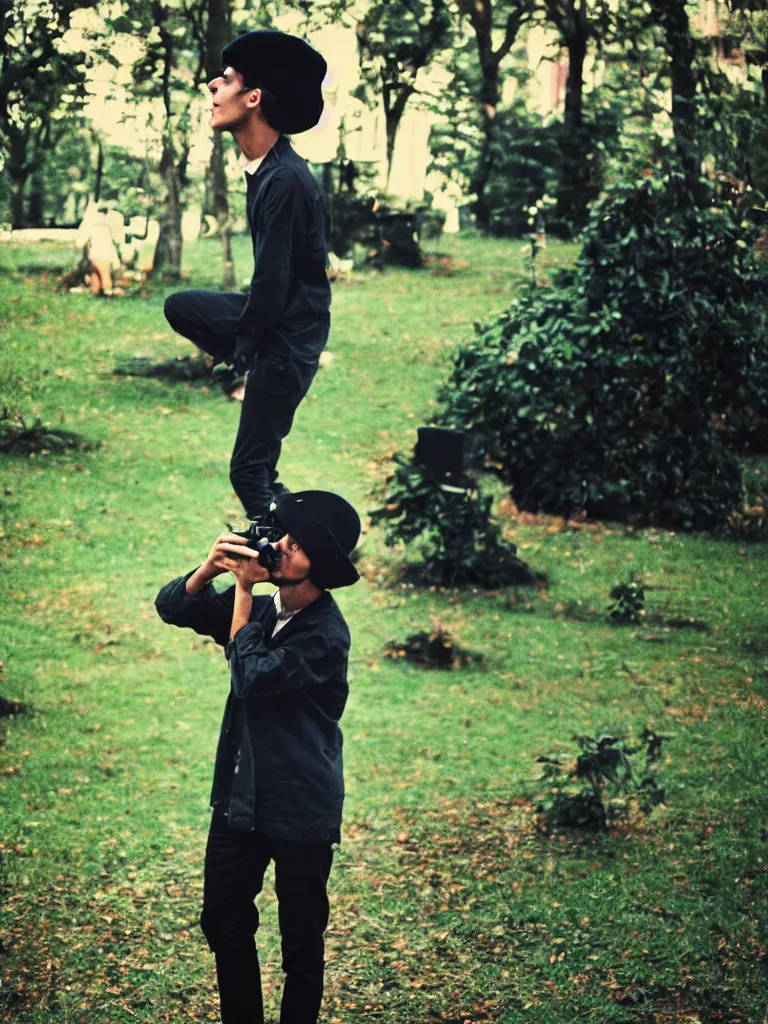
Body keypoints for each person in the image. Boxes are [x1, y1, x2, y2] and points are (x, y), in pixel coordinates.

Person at [155, 489, 360, 1024]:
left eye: (297, 543)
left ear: (321, 567)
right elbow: (172, 607)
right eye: (283, 536)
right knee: (223, 923)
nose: (281, 545)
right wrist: (209, 569)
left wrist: (243, 592)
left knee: (300, 945)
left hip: (299, 808)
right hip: (240, 802)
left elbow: (250, 676)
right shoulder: (265, 610)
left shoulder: (325, 636)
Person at [163, 30, 331, 521]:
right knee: (180, 306)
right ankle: (293, 533)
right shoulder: (268, 169)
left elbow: (276, 282)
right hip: (278, 328)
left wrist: (248, 348)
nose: (212, 88)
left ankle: (295, 554)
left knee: (250, 472)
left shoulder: (286, 180)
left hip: (288, 342)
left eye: (227, 80)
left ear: (253, 98)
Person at [74, 204, 121, 295]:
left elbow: (79, 244)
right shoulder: (105, 228)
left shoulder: (91, 226)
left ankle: (97, 294)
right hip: (103, 256)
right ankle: (108, 294)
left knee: (96, 280)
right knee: (105, 278)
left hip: (94, 256)